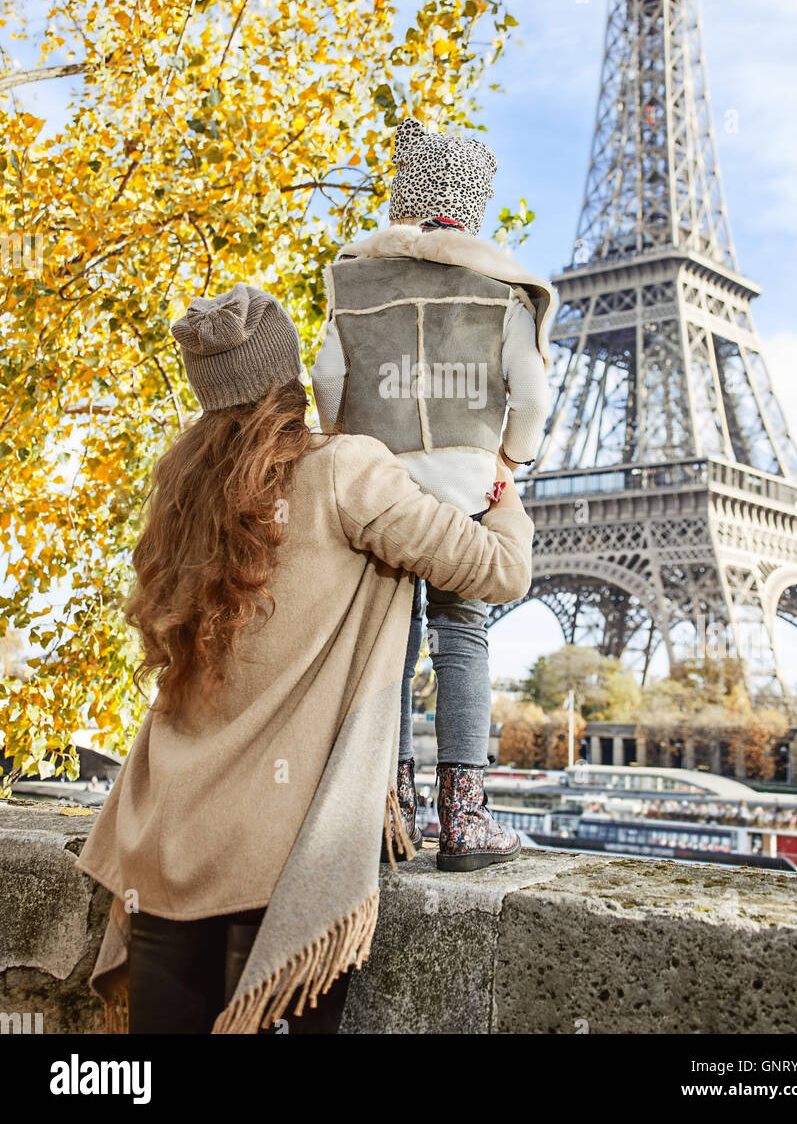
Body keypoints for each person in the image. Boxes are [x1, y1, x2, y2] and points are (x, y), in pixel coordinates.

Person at [75, 283, 533, 1034]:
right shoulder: (347, 471)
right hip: (277, 863)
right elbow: (496, 570)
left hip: (161, 843)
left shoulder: (184, 492)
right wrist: (506, 501)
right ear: (291, 377)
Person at [312, 116, 555, 871]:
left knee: (392, 638)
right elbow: (534, 396)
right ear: (472, 203)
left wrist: (345, 444)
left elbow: (325, 379)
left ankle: (390, 809)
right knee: (466, 638)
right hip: (468, 492)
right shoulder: (499, 291)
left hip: (381, 494)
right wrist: (509, 458)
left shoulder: (353, 280)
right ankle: (467, 822)